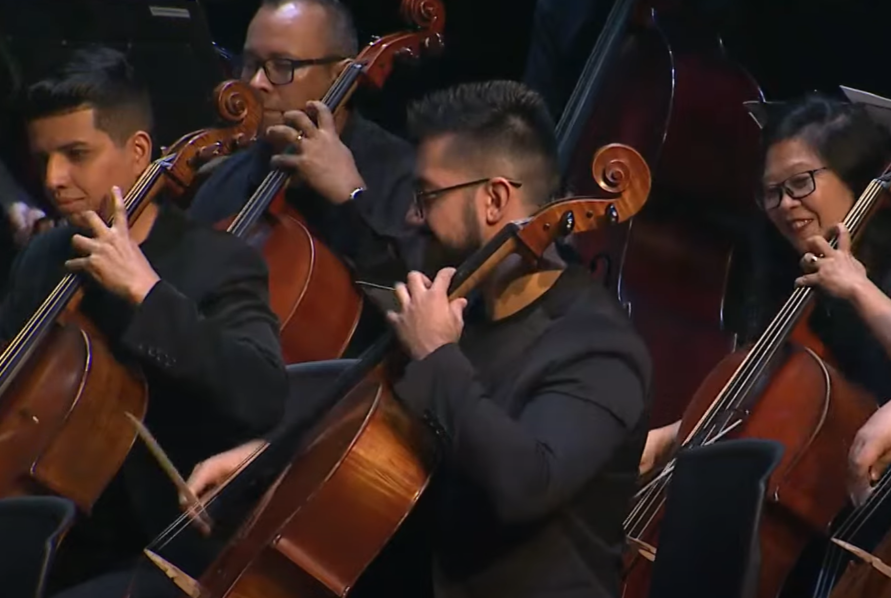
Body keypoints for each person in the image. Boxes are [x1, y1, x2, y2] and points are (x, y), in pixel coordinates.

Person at [184, 80, 652, 598]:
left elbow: (526, 484)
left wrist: (437, 355)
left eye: (426, 195)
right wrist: (273, 453)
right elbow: (373, 400)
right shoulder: (465, 307)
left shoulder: (598, 346)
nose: (412, 215)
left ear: (494, 198)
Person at [0, 46, 288, 596]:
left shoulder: (218, 262)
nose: (54, 179)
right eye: (43, 160)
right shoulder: (43, 257)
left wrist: (147, 292)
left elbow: (263, 393)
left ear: (137, 153)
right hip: (47, 534)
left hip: (156, 548)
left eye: (75, 154)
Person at [640, 95, 891, 505]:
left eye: (800, 183)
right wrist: (671, 437)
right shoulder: (798, 282)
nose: (785, 205)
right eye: (772, 192)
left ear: (853, 178)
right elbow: (762, 399)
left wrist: (857, 287)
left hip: (885, 499)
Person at [188, 0, 422, 288]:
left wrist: (350, 198)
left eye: (282, 65)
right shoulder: (226, 179)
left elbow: (411, 295)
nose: (257, 82)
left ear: (339, 75)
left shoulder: (403, 175)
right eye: (250, 64)